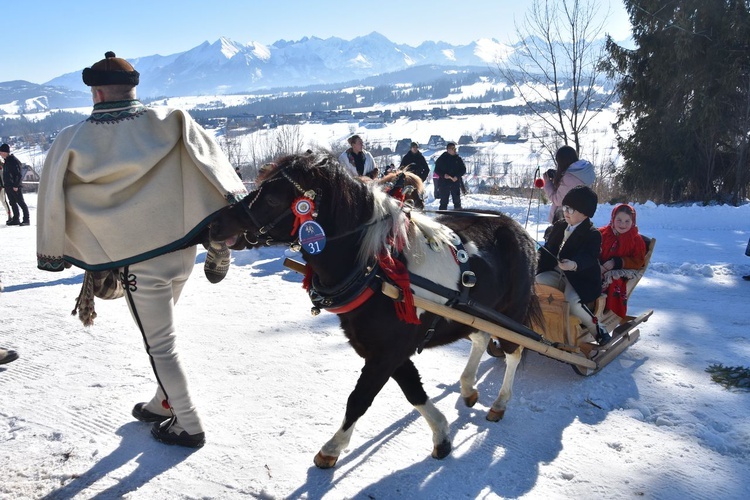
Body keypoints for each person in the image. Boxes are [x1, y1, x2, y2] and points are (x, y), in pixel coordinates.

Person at [36, 51, 247, 448]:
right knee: (158, 336)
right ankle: (163, 402)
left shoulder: (73, 139)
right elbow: (216, 169)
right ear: (134, 89)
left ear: (96, 93)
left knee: (160, 346)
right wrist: (226, 222)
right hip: (182, 253)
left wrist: (54, 250)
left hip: (138, 266)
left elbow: (52, 199)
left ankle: (188, 423)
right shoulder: (172, 121)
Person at [536, 185, 610, 345]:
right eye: (565, 207)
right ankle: (538, 322)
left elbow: (589, 257)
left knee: (572, 302)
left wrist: (574, 264)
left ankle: (599, 330)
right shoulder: (560, 226)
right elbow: (548, 248)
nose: (566, 212)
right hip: (557, 273)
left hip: (579, 278)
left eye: (572, 210)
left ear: (585, 213)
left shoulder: (592, 234)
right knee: (537, 282)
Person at [599, 204, 647, 317]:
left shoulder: (636, 240)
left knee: (613, 281)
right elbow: (593, 250)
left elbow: (638, 261)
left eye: (627, 221)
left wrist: (618, 262)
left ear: (633, 222)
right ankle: (588, 306)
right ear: (613, 219)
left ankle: (609, 310)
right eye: (619, 220)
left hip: (620, 271)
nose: (622, 224)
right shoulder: (603, 233)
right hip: (600, 266)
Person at [542, 145, 595, 224]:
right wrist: (559, 176)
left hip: (565, 217)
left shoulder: (568, 178)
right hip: (579, 216)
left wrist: (547, 183)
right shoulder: (583, 171)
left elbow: (557, 200)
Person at [0, 143, 31, 226]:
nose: (0, 154)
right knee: (12, 202)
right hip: (8, 186)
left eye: (1, 152)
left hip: (15, 186)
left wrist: (16, 185)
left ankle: (26, 220)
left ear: (5, 152)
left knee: (21, 202)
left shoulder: (13, 161)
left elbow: (18, 174)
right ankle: (16, 219)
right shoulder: (6, 161)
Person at [434, 142, 467, 210]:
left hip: (455, 183)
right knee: (443, 202)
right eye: (453, 148)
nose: (455, 150)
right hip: (444, 183)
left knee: (457, 202)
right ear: (448, 150)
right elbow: (436, 170)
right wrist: (443, 175)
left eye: (455, 148)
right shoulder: (441, 159)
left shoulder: (458, 159)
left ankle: (458, 218)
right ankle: (442, 218)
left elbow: (463, 169)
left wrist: (457, 176)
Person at [0, 158, 12, 223]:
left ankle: (9, 215)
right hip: (2, 186)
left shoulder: (2, 167)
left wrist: (3, 185)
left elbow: (2, 177)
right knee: (4, 202)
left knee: (4, 201)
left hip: (2, 187)